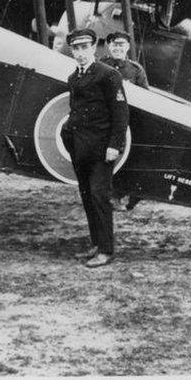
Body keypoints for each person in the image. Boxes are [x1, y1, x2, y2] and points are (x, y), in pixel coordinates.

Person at [60, 28, 129, 268]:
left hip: (102, 150)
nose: (80, 53)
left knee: (100, 196)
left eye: (84, 48)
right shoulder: (73, 78)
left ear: (93, 48)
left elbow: (121, 113)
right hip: (80, 149)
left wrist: (115, 146)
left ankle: (106, 251)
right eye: (75, 48)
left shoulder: (108, 75)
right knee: (88, 195)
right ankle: (96, 244)